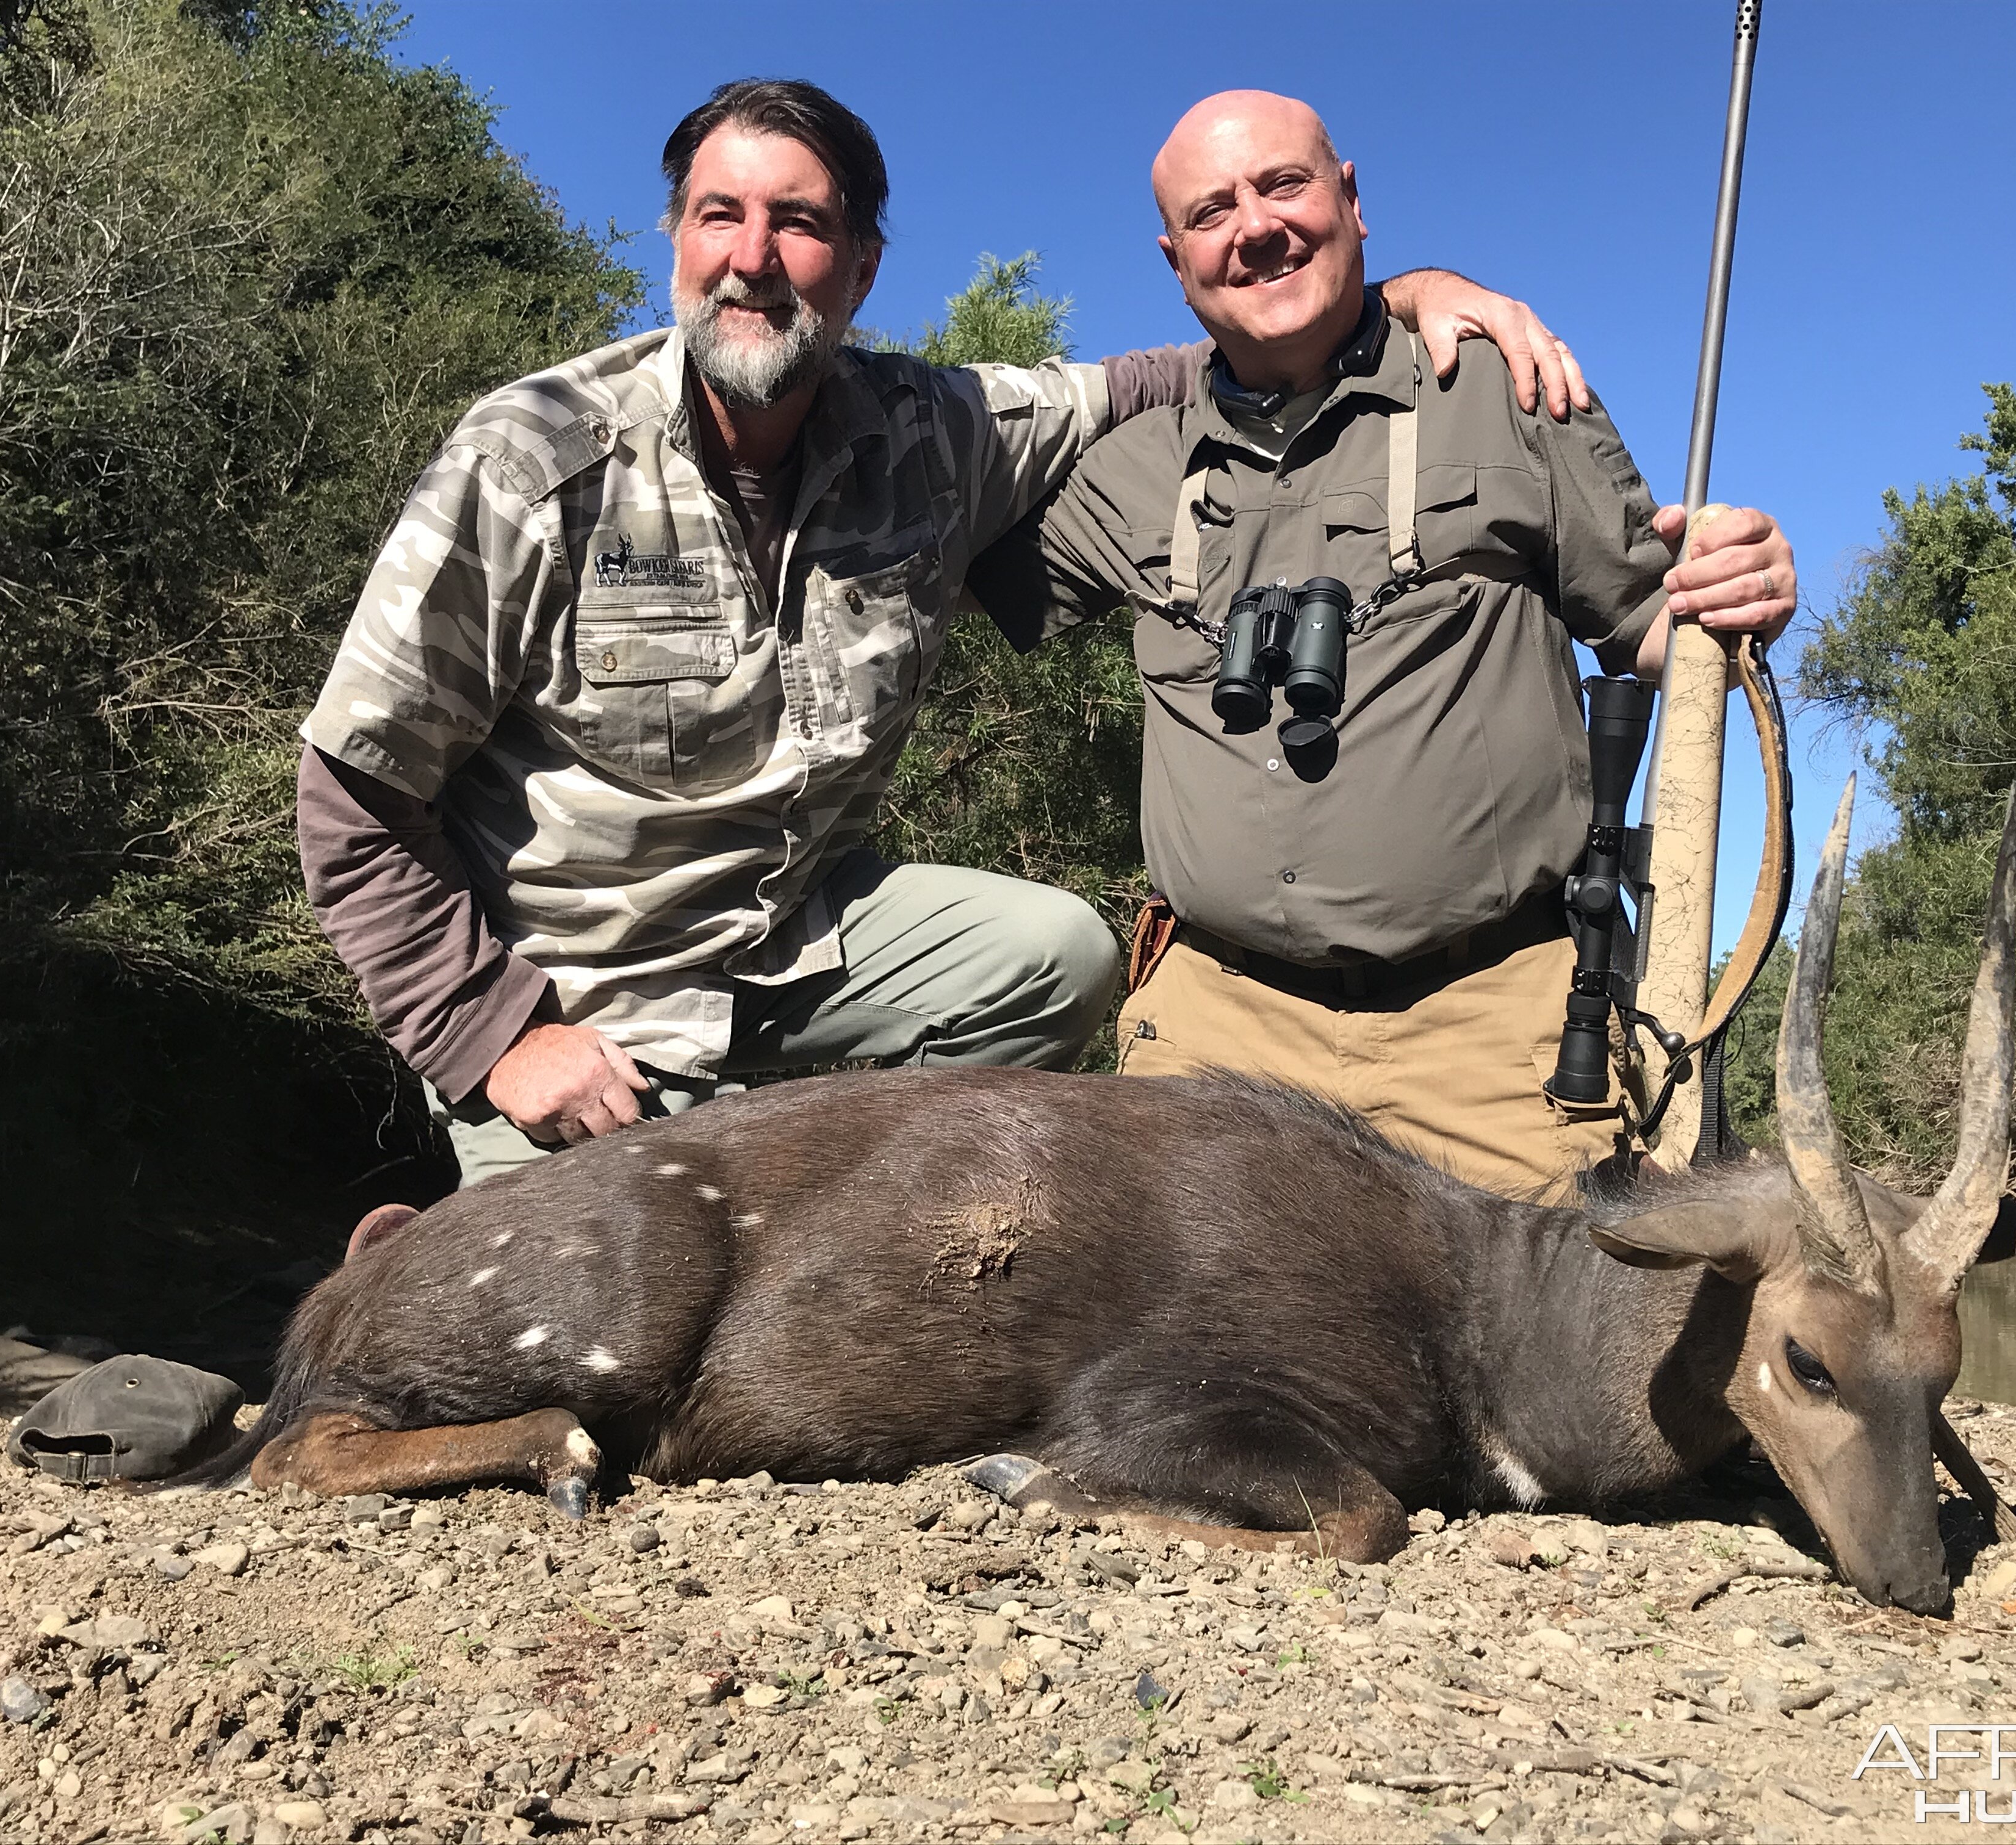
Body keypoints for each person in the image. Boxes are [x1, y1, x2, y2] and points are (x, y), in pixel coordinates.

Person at [299, 77, 1591, 1189]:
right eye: (720, 217)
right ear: (677, 242)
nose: (755, 257)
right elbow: (350, 800)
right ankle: (429, 1219)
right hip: (579, 989)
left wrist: (1399, 293)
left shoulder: (943, 429)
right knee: (562, 1354)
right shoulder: (531, 457)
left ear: (859, 266)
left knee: (1060, 959)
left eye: (800, 224)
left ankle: (799, 1188)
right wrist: (494, 1035)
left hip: (797, 940)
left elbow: (1203, 361)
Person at [962, 90, 1800, 1198]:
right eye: (1211, 210)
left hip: (1498, 1022)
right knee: (1189, 1369)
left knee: (1564, 1352)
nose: (1254, 225)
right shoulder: (1124, 468)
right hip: (1220, 1023)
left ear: (1350, 198)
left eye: (1283, 184)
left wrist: (1733, 593)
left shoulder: (1507, 388)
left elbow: (1653, 627)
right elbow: (927, 572)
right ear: (1175, 260)